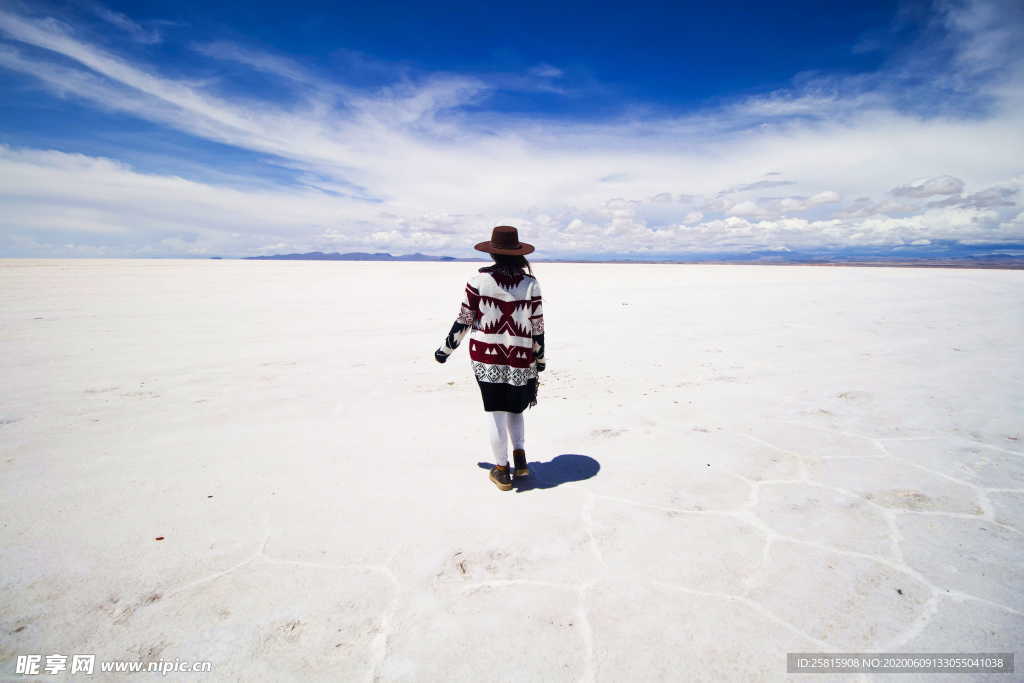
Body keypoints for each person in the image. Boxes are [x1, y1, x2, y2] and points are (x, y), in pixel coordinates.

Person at [434, 226, 546, 491]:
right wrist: (540, 359)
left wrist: (445, 350)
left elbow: (464, 320)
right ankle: (520, 460)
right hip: (520, 356)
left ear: (492, 253)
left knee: (495, 411)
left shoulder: (478, 281)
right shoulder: (531, 284)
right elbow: (537, 326)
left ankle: (501, 469)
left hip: (487, 358)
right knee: (516, 409)